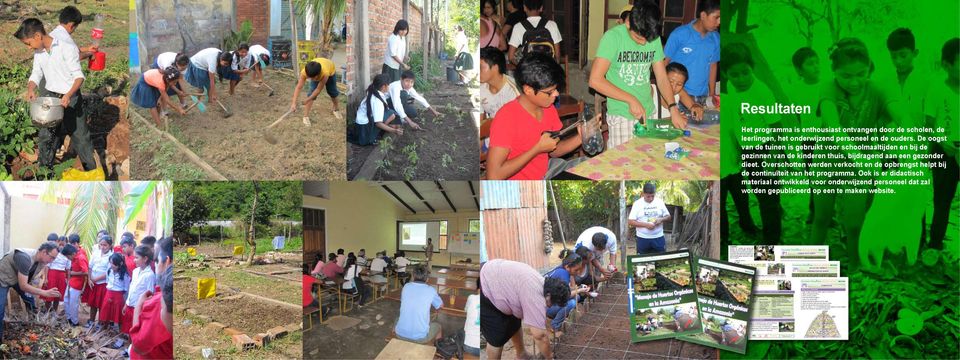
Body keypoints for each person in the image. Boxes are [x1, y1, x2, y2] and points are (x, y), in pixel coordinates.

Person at [589, 1, 687, 148]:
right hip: (622, 113)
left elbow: (661, 77)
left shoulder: (652, 38)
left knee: (647, 160)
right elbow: (595, 81)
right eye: (638, 38)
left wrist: (673, 108)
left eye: (647, 40)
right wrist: (630, 99)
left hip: (648, 112)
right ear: (628, 22)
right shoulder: (613, 38)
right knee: (622, 164)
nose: (643, 43)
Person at [487, 54, 596, 180]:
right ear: (528, 90)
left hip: (547, 170)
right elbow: (494, 175)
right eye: (550, 92)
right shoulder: (506, 118)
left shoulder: (548, 108)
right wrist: (537, 149)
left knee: (593, 167)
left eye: (556, 89)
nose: (556, 94)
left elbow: (554, 150)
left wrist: (581, 137)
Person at [15, 18, 97, 175]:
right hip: (51, 97)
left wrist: (68, 95)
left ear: (38, 36)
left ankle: (91, 172)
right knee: (47, 133)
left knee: (80, 135)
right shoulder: (39, 52)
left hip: (70, 96)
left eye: (28, 43)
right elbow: (36, 73)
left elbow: (79, 77)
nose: (28, 47)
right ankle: (45, 171)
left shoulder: (66, 48)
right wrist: (31, 87)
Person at [723, 42, 782, 245]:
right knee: (762, 192)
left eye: (745, 73)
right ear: (727, 74)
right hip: (748, 149)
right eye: (734, 74)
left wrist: (773, 156)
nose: (740, 79)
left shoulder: (762, 92)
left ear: (752, 68)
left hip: (766, 148)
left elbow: (777, 126)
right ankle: (773, 217)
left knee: (767, 197)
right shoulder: (731, 87)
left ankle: (772, 239)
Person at [480, 259, 569, 359]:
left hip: (496, 277)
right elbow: (540, 336)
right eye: (552, 303)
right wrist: (549, 357)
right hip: (485, 284)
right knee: (497, 336)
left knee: (514, 323)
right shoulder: (535, 295)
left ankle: (522, 355)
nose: (550, 306)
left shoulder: (542, 283)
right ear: (548, 295)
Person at [926, 38, 959, 250]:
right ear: (947, 65)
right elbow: (928, 126)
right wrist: (942, 142)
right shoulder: (937, 90)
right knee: (942, 202)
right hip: (944, 149)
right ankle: (935, 246)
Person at [663, 0, 720, 110]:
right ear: (703, 15)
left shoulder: (716, 38)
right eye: (716, 17)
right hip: (678, 96)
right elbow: (663, 64)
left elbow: (713, 66)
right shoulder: (679, 34)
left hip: (702, 97)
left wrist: (712, 94)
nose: (719, 22)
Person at [0, 242, 63, 341]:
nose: (52, 261)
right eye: (52, 258)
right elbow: (23, 286)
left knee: (30, 300)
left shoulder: (42, 262)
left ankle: (33, 324)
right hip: (3, 277)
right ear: (44, 252)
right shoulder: (24, 258)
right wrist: (44, 292)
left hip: (17, 278)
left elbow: (28, 279)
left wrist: (31, 292)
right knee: (0, 309)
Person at [128, 244, 172, 360]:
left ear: (167, 261)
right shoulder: (136, 272)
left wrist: (138, 306)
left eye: (157, 260)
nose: (155, 264)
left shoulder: (160, 301)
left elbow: (139, 344)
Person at [394, 266, 444, 344]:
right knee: (438, 327)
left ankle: (397, 340)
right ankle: (438, 348)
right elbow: (440, 305)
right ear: (427, 278)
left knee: (398, 318)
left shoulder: (406, 287)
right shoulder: (431, 290)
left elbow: (404, 301)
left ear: (413, 276)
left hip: (399, 334)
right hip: (420, 338)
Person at [544, 250, 589, 335]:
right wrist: (580, 290)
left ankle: (558, 316)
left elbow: (568, 290)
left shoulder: (561, 269)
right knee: (571, 303)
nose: (578, 272)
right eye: (576, 270)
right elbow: (566, 295)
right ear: (568, 267)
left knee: (577, 297)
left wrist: (579, 287)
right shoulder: (563, 274)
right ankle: (555, 325)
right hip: (545, 306)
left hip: (549, 301)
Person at [508, 0, 562, 65]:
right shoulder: (552, 25)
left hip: (528, 71)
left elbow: (511, 57)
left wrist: (522, 68)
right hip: (548, 71)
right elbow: (558, 57)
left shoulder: (518, 27)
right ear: (541, 8)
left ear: (524, 8)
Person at [352, 74, 402, 145]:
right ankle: (374, 135)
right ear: (384, 86)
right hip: (364, 127)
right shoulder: (377, 100)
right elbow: (378, 123)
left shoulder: (374, 90)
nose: (389, 86)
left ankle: (381, 129)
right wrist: (394, 130)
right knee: (391, 115)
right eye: (388, 85)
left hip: (363, 121)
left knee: (391, 114)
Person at [291, 56, 342, 125]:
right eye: (308, 77)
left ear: (316, 76)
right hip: (318, 69)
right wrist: (294, 103)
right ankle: (306, 116)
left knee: (332, 91)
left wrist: (307, 100)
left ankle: (336, 109)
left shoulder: (325, 73)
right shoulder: (305, 72)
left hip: (330, 69)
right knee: (311, 92)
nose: (310, 79)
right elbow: (298, 87)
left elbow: (318, 90)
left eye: (311, 78)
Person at [123, 245, 156, 349]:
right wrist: (126, 303)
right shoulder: (135, 271)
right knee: (129, 328)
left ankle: (134, 349)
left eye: (137, 257)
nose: (134, 259)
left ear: (145, 258)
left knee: (136, 329)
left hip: (139, 308)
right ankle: (129, 347)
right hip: (130, 304)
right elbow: (132, 288)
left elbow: (149, 294)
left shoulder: (150, 275)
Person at [628, 183, 671, 254]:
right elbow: (630, 221)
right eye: (648, 196)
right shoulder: (637, 204)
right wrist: (646, 225)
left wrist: (661, 219)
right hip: (642, 239)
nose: (651, 199)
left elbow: (668, 217)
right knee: (642, 262)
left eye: (652, 196)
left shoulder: (659, 202)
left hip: (658, 238)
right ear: (643, 194)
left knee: (660, 261)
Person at [478, 47, 520, 118]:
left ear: (495, 67)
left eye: (480, 67)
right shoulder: (480, 88)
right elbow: (480, 120)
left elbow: (517, 122)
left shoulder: (513, 91)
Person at [99, 253, 130, 336]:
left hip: (118, 296)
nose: (111, 265)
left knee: (119, 315)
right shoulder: (109, 271)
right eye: (110, 263)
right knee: (105, 312)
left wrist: (119, 295)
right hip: (109, 293)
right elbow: (107, 282)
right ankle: (104, 329)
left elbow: (126, 288)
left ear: (120, 264)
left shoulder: (125, 275)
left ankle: (121, 332)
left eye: (113, 263)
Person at [86, 235, 113, 328]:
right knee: (93, 303)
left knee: (102, 304)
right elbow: (90, 267)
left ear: (110, 246)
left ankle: (101, 323)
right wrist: (89, 279)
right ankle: (91, 321)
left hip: (103, 284)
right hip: (93, 283)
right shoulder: (96, 253)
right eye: (101, 244)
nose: (102, 247)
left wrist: (96, 279)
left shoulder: (111, 256)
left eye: (105, 245)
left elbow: (108, 272)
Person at [42, 243, 76, 312]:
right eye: (72, 254)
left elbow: (68, 270)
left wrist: (68, 280)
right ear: (68, 253)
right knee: (49, 295)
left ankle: (54, 312)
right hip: (52, 275)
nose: (73, 256)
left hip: (61, 277)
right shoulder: (56, 255)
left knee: (57, 296)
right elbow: (47, 266)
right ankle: (46, 312)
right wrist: (45, 278)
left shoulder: (68, 259)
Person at [65, 237, 88, 327]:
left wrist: (73, 273)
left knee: (73, 303)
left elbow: (85, 271)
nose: (68, 259)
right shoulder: (75, 256)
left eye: (68, 257)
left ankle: (74, 321)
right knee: (67, 300)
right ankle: (69, 318)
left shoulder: (80, 257)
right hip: (71, 282)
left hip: (77, 283)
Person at [464, 285, 481, 356]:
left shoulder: (471, 297)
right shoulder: (493, 302)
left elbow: (466, 310)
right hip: (485, 348)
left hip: (469, 346)